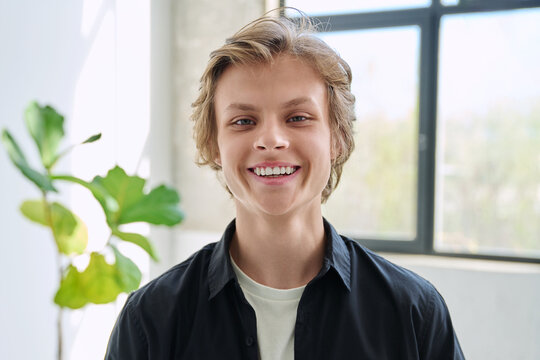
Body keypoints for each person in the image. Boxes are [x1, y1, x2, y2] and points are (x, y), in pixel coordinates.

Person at [105, 12, 465, 360]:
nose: (271, 139)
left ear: (336, 138)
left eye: (297, 118)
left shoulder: (414, 313)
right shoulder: (149, 321)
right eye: (244, 121)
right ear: (214, 145)